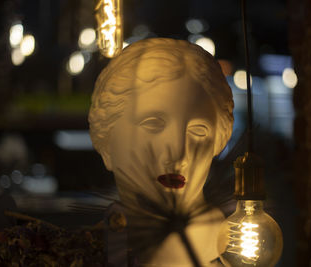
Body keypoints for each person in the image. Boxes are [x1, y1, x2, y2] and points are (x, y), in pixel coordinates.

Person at [89, 38, 233, 266]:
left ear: (218, 142)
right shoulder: (94, 244)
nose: (177, 153)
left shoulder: (230, 247)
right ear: (107, 143)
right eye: (153, 124)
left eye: (198, 130)